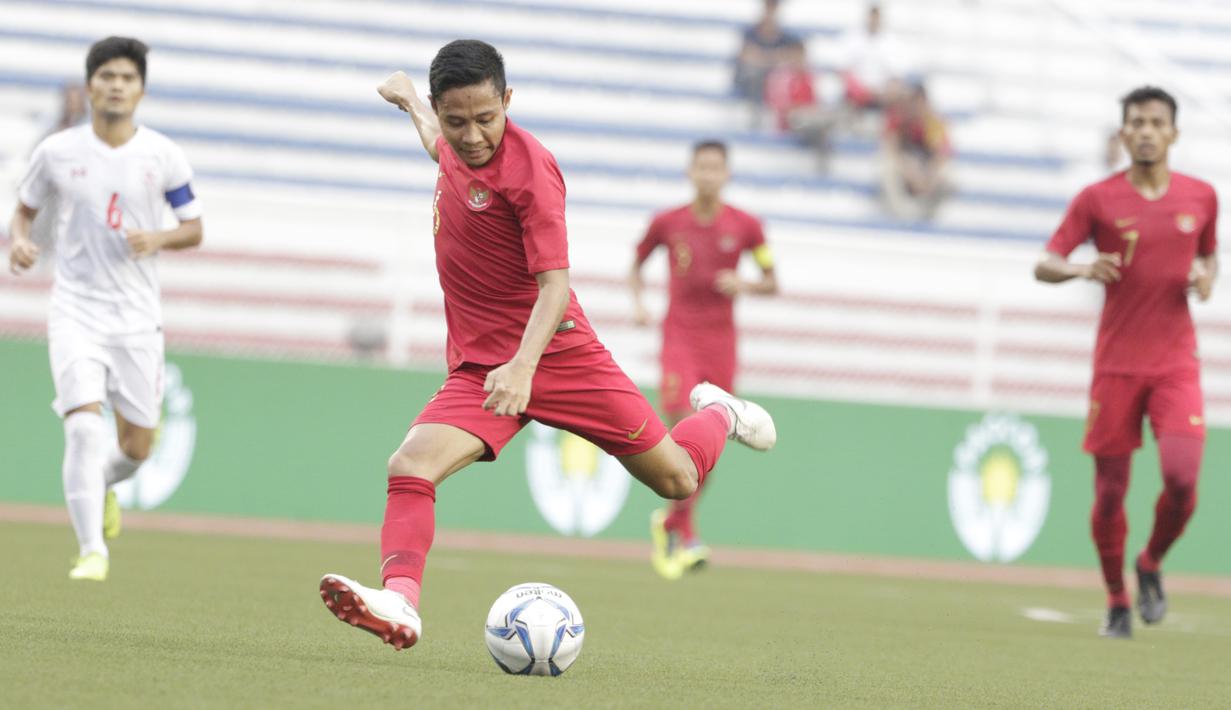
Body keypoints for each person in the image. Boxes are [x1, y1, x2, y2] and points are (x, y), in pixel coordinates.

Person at [318, 40, 777, 651]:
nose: (473, 135)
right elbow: (437, 142)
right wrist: (407, 101)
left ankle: (720, 413)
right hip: (484, 369)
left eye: (486, 118)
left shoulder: (531, 171)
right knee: (408, 466)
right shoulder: (452, 145)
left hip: (558, 356)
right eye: (457, 120)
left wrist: (524, 366)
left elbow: (555, 287)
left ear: (507, 101)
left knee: (676, 480)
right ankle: (400, 602)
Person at [7, 36, 204, 581]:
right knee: (83, 430)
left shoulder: (162, 155)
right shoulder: (57, 152)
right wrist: (21, 242)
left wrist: (157, 239)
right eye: (107, 76)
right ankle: (91, 549)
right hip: (75, 310)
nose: (116, 85)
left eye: (127, 77)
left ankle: (107, 485)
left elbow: (194, 229)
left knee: (136, 448)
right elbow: (22, 212)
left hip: (138, 318)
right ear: (90, 84)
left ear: (140, 89)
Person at [1034, 86, 1217, 639]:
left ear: (1173, 134)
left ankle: (1151, 563)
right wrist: (1081, 270)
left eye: (1155, 122)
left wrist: (1206, 279)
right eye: (1135, 121)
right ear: (1122, 132)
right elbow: (1045, 263)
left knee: (1182, 479)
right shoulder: (1097, 200)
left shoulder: (1202, 197)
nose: (1144, 130)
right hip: (1115, 365)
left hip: (1174, 364)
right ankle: (1117, 599)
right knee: (1110, 493)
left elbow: (1208, 257)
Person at [631, 140, 777, 579]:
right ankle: (684, 530)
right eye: (702, 167)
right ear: (690, 172)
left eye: (716, 168)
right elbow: (635, 264)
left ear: (726, 173)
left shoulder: (747, 226)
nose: (708, 174)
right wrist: (638, 304)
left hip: (721, 343)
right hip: (679, 337)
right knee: (678, 425)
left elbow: (772, 280)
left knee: (713, 440)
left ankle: (672, 524)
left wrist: (744, 284)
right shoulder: (668, 222)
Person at [880, 79, 952, 220]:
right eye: (912, 101)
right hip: (905, 164)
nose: (915, 106)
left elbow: (941, 154)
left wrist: (928, 177)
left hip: (925, 167)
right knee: (887, 167)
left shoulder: (933, 121)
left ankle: (933, 211)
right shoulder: (899, 118)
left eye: (919, 101)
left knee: (947, 173)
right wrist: (910, 172)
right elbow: (891, 148)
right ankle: (898, 211)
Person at [733, 0, 801, 129]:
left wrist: (763, 58)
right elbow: (746, 56)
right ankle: (757, 115)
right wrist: (774, 58)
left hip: (771, 79)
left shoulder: (784, 36)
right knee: (754, 75)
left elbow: (793, 55)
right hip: (750, 79)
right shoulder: (750, 33)